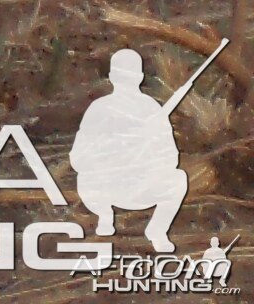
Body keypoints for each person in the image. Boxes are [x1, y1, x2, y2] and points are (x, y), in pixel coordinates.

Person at [71, 48, 191, 251]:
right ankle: (105, 216)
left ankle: (157, 230)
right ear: (140, 77)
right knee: (176, 179)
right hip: (108, 186)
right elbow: (79, 159)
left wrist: (144, 153)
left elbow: (170, 158)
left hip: (140, 187)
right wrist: (114, 154)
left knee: (178, 179)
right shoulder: (101, 109)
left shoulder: (152, 111)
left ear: (112, 77)